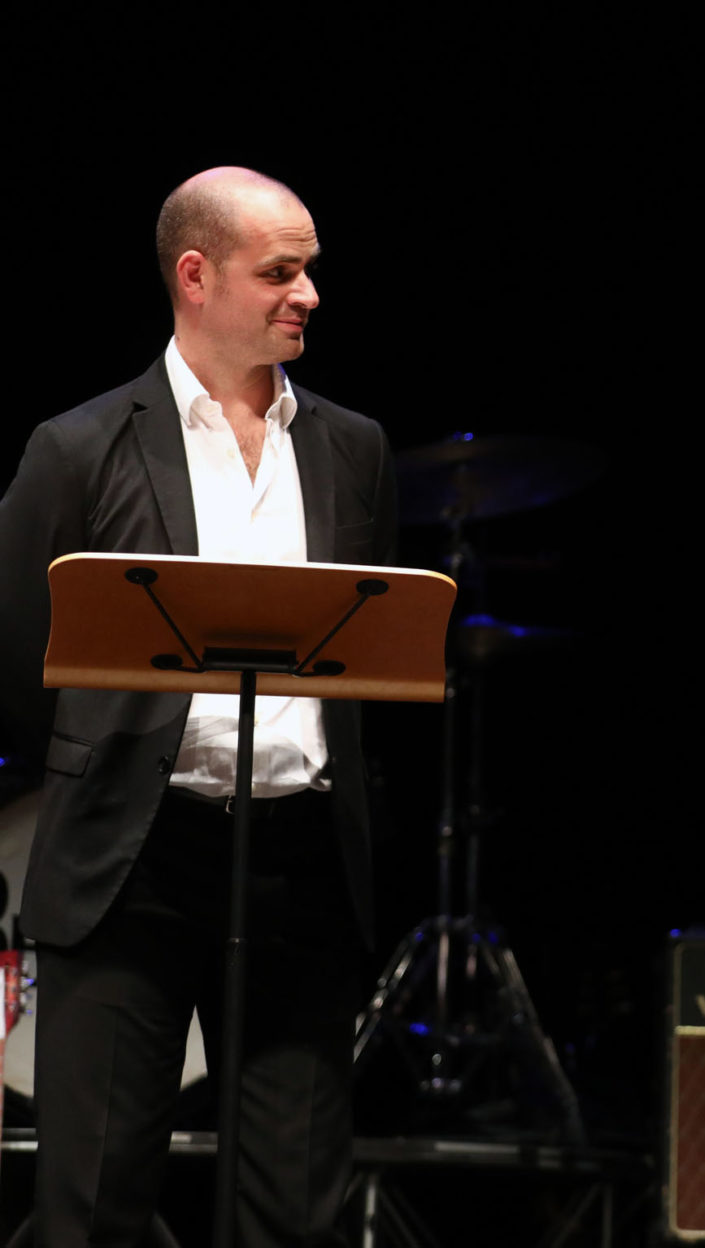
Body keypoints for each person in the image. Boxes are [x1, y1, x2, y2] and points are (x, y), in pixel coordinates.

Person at [0, 167, 397, 1246]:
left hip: (302, 860)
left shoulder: (352, 449)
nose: (309, 293)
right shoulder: (78, 448)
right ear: (195, 275)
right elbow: (22, 664)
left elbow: (374, 668)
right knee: (92, 1202)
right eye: (282, 272)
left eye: (310, 270)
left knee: (297, 1204)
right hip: (137, 862)